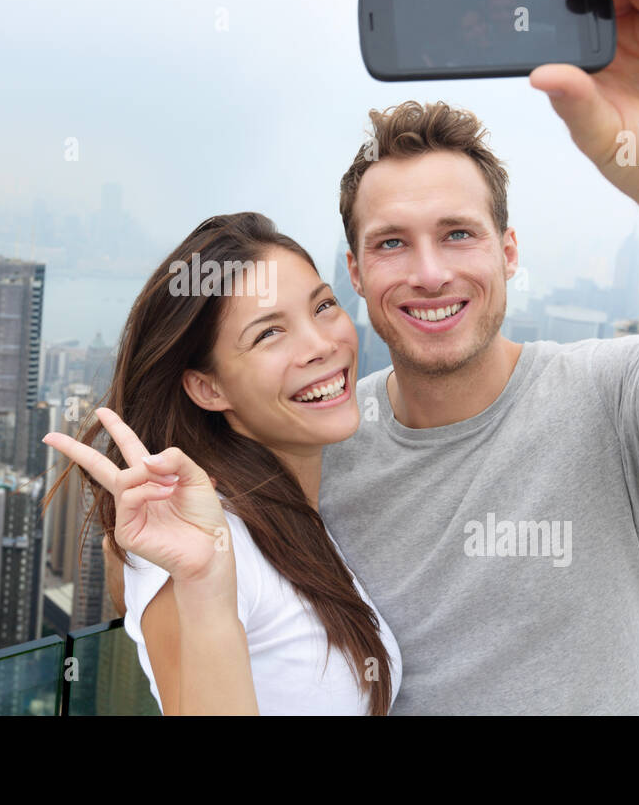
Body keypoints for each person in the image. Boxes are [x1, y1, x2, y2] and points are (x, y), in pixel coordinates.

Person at [106, 0, 639, 715]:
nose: (430, 271)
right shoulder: (315, 440)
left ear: (508, 252)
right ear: (358, 274)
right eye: (393, 244)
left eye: (459, 234)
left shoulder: (616, 402)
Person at [43, 213, 401, 715]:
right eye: (269, 333)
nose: (322, 345)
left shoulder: (293, 513)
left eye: (323, 305)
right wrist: (201, 580)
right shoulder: (194, 549)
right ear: (208, 388)